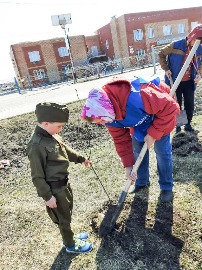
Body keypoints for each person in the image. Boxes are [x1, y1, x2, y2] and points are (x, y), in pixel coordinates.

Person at [80, 76, 180, 202]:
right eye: (99, 122)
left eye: (102, 120)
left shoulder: (138, 96)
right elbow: (121, 140)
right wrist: (128, 165)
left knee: (162, 152)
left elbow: (170, 107)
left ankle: (166, 187)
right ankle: (141, 182)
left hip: (160, 115)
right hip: (138, 121)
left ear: (105, 109)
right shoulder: (108, 116)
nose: (103, 123)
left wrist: (154, 133)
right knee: (138, 151)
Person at [27, 102, 93, 254]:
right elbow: (37, 176)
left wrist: (81, 159)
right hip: (54, 190)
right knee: (63, 218)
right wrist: (47, 196)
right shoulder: (36, 145)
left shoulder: (52, 134)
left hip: (64, 185)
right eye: (59, 126)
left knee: (67, 213)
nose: (61, 129)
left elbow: (66, 150)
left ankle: (70, 236)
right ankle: (70, 244)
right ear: (46, 123)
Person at [158, 24, 202, 133]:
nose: (198, 43)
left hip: (189, 82)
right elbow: (161, 54)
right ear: (192, 36)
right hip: (175, 81)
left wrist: (199, 73)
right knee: (176, 104)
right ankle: (178, 126)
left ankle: (187, 125)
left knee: (189, 104)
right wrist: (166, 68)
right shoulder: (176, 45)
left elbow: (201, 63)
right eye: (197, 39)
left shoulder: (199, 48)